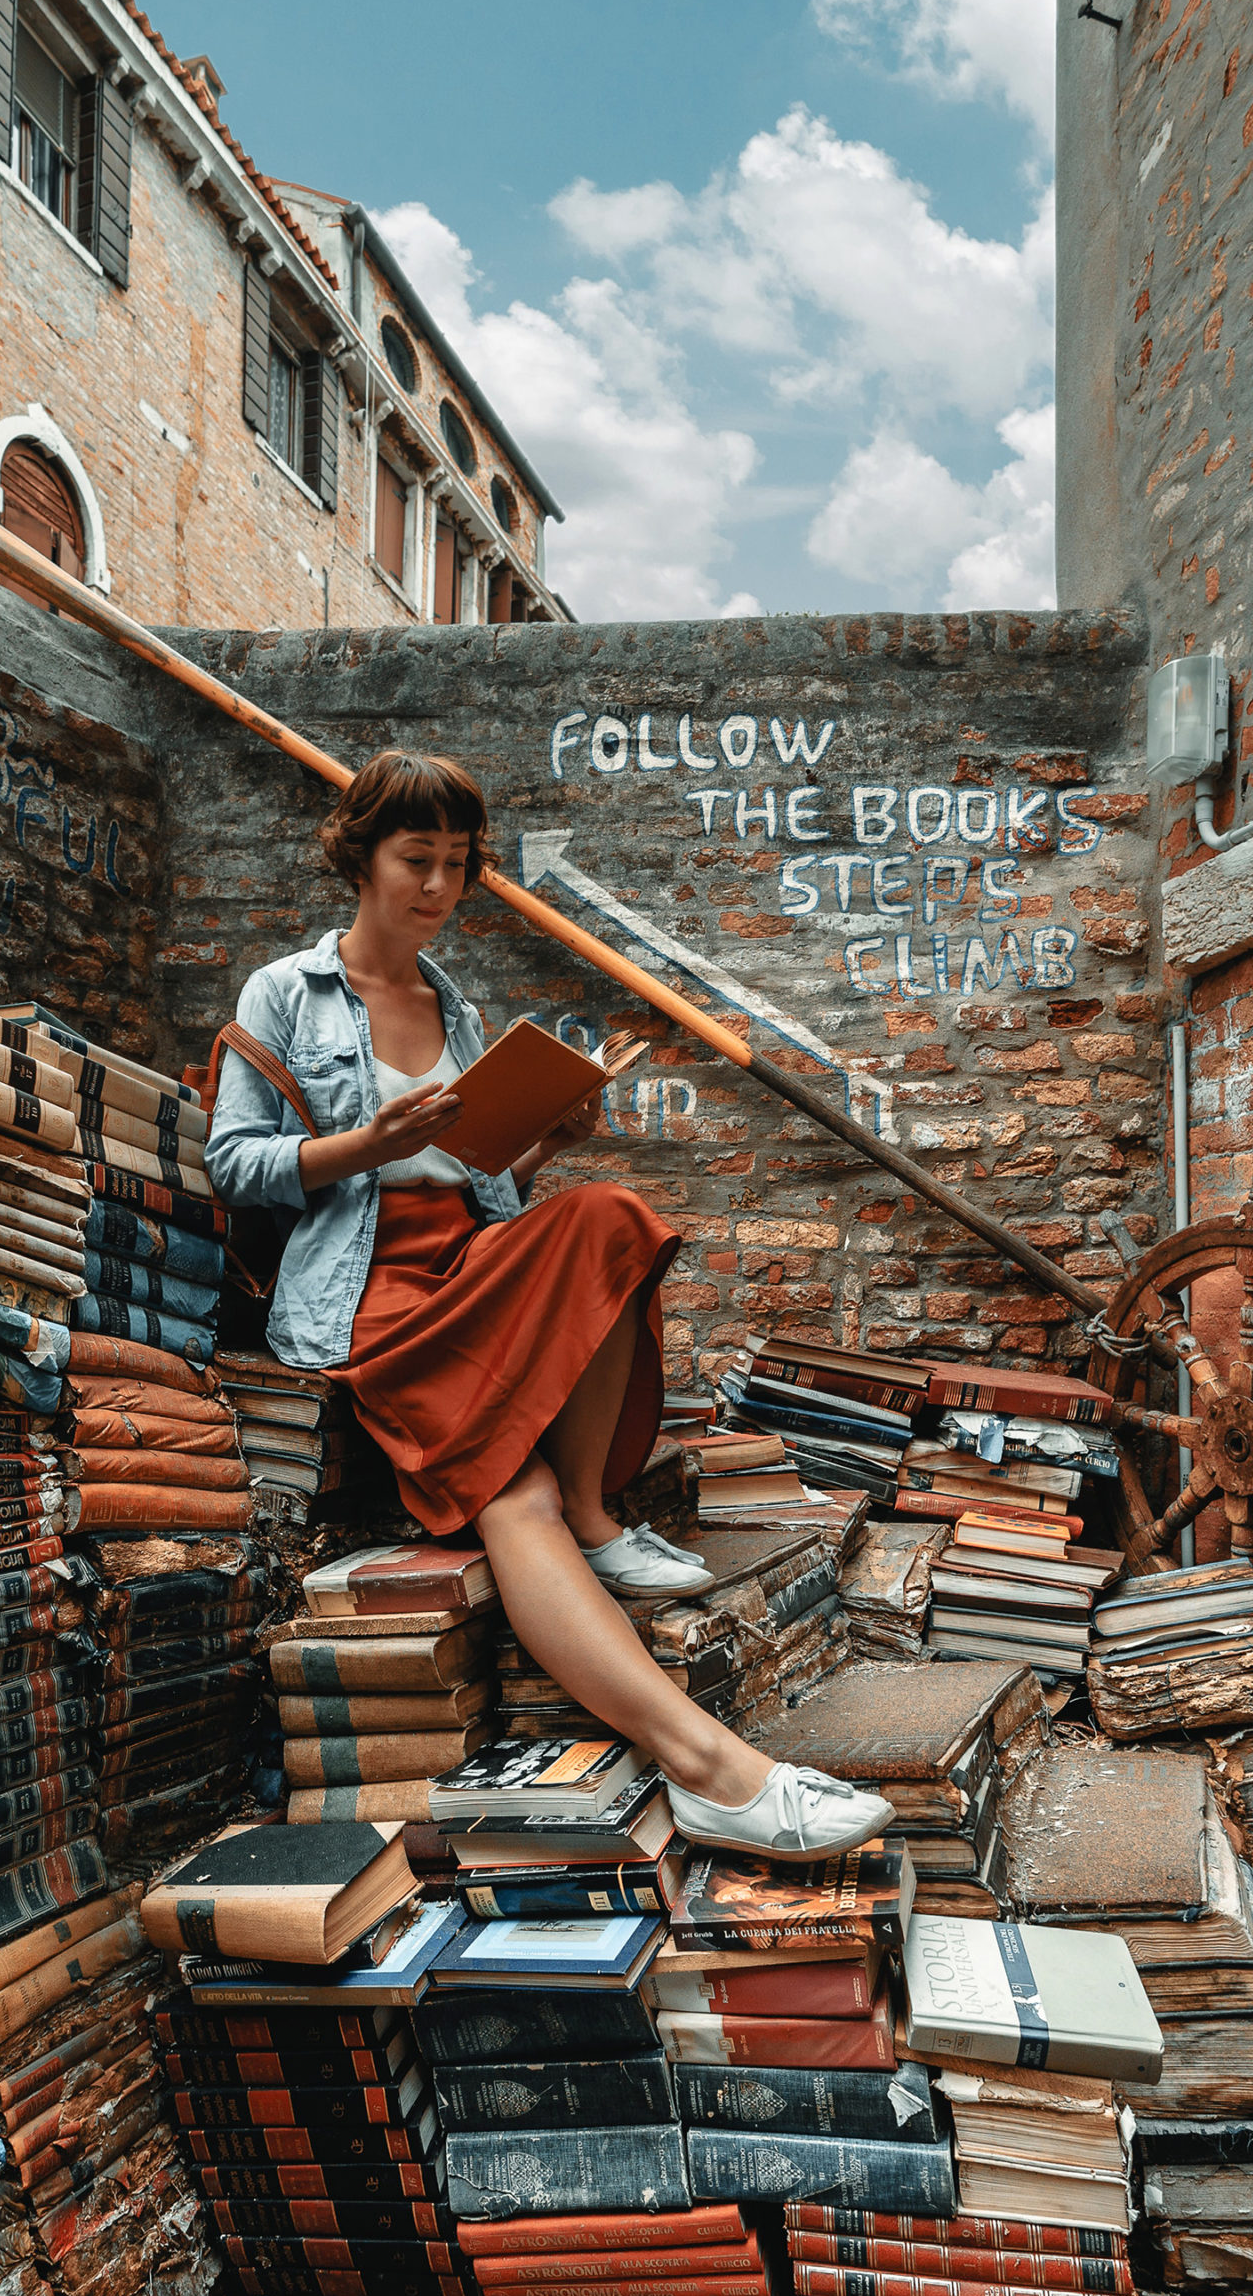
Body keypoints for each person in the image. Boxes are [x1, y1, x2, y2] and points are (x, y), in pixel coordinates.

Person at [206, 749, 893, 1859]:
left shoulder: (453, 1004)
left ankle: (594, 1510)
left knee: (609, 1213)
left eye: (456, 867)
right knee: (503, 1497)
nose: (436, 888)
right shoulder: (288, 992)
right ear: (361, 857)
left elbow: (481, 1187)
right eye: (413, 860)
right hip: (367, 1292)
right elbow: (235, 1163)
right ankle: (714, 1768)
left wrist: (538, 1149)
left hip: (466, 1266)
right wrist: (360, 1144)